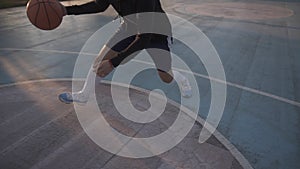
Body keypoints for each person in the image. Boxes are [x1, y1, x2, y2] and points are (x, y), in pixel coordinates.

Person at [58, 0, 192, 104]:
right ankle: (83, 95)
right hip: (129, 27)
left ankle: (180, 78)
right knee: (100, 60)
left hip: (156, 33)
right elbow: (100, 5)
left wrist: (113, 62)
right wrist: (66, 10)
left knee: (165, 77)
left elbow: (144, 39)